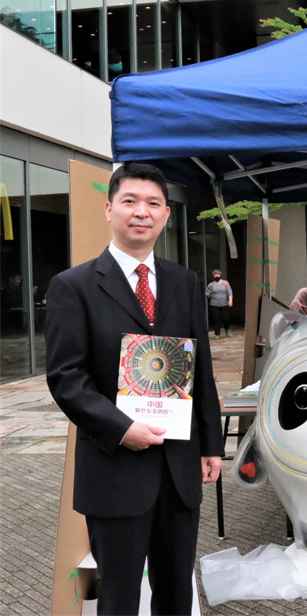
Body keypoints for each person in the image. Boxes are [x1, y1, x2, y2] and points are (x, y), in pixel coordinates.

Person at [44, 163, 224, 615]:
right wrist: (123, 428)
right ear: (109, 209)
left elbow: (200, 372)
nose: (141, 212)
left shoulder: (185, 283)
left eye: (153, 204)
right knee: (119, 598)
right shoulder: (73, 287)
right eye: (130, 201)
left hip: (180, 468)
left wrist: (211, 444)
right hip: (116, 469)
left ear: (165, 216)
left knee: (176, 595)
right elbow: (67, 378)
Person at [205, 269, 233, 338]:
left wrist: (230, 301)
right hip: (214, 304)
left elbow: (230, 292)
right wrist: (209, 294)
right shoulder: (211, 284)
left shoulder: (225, 283)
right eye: (215, 275)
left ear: (220, 275)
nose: (216, 276)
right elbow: (206, 294)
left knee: (225, 319)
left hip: (224, 304)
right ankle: (217, 334)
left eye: (217, 275)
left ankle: (227, 329)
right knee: (216, 319)